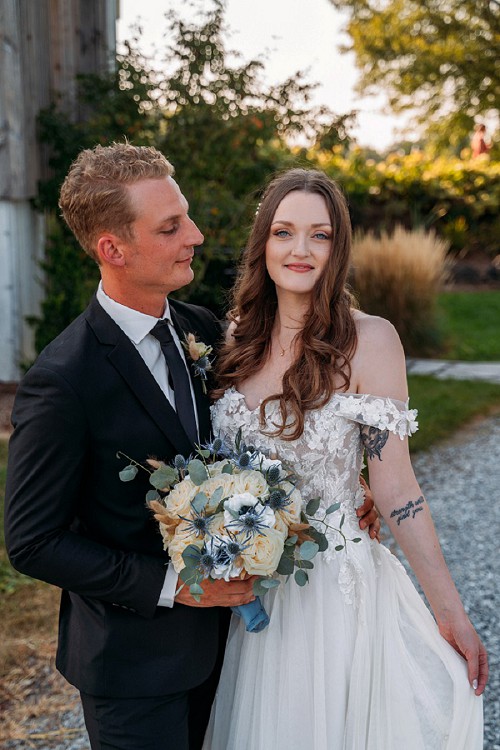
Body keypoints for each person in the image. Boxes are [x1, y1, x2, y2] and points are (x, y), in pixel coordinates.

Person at [4, 144, 379, 750]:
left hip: (230, 653)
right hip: (134, 671)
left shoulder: (200, 329)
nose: (197, 236)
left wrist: (345, 483)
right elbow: (32, 542)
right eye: (172, 226)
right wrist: (171, 584)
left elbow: (254, 431)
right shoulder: (64, 381)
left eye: (188, 217)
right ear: (113, 249)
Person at [204, 168, 488, 749]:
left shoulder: (371, 341)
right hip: (249, 593)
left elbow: (397, 488)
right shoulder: (232, 340)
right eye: (284, 232)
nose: (300, 250)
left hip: (335, 589)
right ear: (262, 243)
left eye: (320, 235)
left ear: (339, 248)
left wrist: (451, 612)